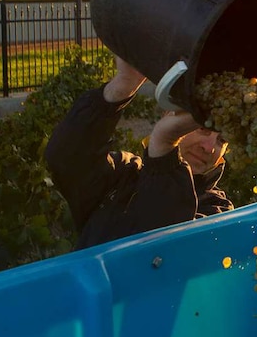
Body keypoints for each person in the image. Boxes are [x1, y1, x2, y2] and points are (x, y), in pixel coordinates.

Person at [45, 56, 233, 249]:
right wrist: (122, 85)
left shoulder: (218, 210)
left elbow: (163, 252)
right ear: (169, 115)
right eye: (203, 128)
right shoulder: (124, 176)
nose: (209, 147)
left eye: (223, 140)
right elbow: (66, 158)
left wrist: (164, 146)